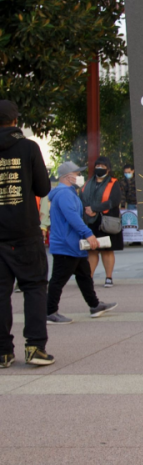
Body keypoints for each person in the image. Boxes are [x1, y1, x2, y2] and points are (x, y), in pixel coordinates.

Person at [0, 100, 53, 368]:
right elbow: (43, 188)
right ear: (14, 120)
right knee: (33, 287)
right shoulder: (29, 147)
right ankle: (35, 346)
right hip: (24, 229)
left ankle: (2, 352)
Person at [46, 162, 117, 325]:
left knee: (84, 276)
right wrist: (88, 234)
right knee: (58, 279)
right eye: (77, 174)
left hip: (71, 244)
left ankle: (94, 305)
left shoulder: (67, 192)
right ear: (67, 176)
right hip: (66, 244)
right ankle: (50, 312)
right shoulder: (65, 194)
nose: (79, 177)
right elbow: (73, 218)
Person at [81, 156, 122, 287]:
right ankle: (89, 278)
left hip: (107, 221)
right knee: (92, 250)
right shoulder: (88, 183)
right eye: (97, 166)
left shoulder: (113, 182)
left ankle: (108, 277)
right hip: (90, 221)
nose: (99, 168)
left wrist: (95, 208)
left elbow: (114, 201)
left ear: (108, 169)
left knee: (107, 250)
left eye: (102, 166)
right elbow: (81, 197)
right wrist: (88, 209)